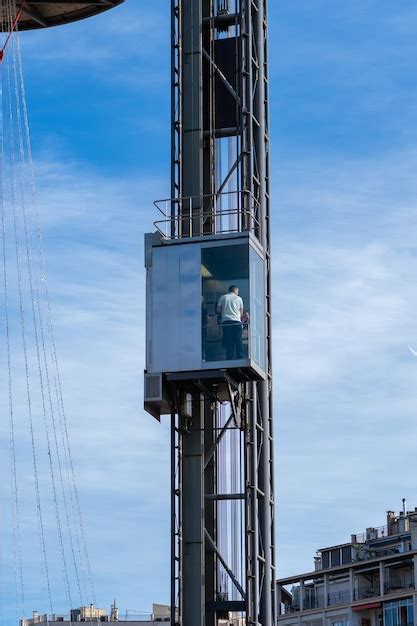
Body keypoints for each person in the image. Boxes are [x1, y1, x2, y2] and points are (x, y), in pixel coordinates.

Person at [217, 285, 244, 360]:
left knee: (229, 340)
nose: (238, 293)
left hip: (226, 321)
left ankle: (229, 356)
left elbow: (218, 309)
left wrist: (224, 311)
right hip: (236, 321)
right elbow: (241, 311)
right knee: (238, 339)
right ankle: (240, 356)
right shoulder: (239, 298)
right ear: (235, 290)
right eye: (237, 291)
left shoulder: (223, 297)